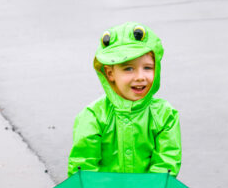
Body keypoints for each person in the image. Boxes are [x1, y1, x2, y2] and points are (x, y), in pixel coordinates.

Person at [68, 22, 181, 177]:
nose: (140, 77)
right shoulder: (93, 116)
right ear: (110, 73)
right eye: (128, 68)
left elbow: (167, 162)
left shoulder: (164, 115)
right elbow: (83, 166)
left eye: (148, 68)